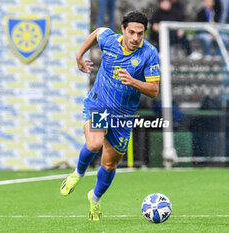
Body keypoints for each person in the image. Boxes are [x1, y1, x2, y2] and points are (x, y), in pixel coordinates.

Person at [60, 11, 160, 221]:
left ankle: (94, 199)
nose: (135, 38)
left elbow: (154, 90)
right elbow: (97, 32)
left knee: (109, 165)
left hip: (124, 116)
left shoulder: (149, 53)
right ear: (122, 30)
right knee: (95, 143)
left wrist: (134, 82)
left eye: (140, 34)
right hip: (100, 105)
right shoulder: (110, 40)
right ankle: (77, 174)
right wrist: (79, 56)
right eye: (131, 32)